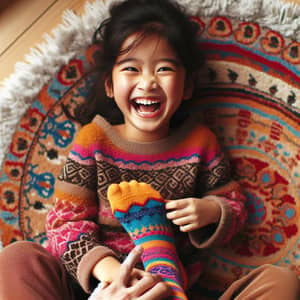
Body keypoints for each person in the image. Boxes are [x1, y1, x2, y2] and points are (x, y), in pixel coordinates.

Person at [0, 0, 299, 299]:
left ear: (186, 88)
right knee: (17, 259)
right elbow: (66, 224)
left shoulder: (199, 142)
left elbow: (234, 203)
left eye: (164, 68)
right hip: (102, 288)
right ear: (109, 84)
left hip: (170, 289)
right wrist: (114, 275)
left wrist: (211, 211)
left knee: (280, 282)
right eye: (131, 68)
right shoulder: (93, 140)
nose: (148, 82)